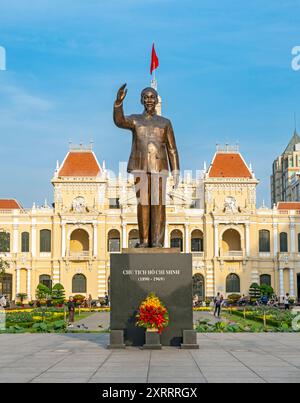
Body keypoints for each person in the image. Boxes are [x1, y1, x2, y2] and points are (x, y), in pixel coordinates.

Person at [113, 84, 180, 248]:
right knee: (143, 204)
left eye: (152, 97)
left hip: (159, 167)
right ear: (142, 100)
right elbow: (119, 121)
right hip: (140, 167)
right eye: (146, 97)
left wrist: (176, 169)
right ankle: (143, 240)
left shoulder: (165, 123)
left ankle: (157, 241)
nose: (149, 100)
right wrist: (118, 103)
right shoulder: (135, 120)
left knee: (158, 205)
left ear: (156, 101)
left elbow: (172, 148)